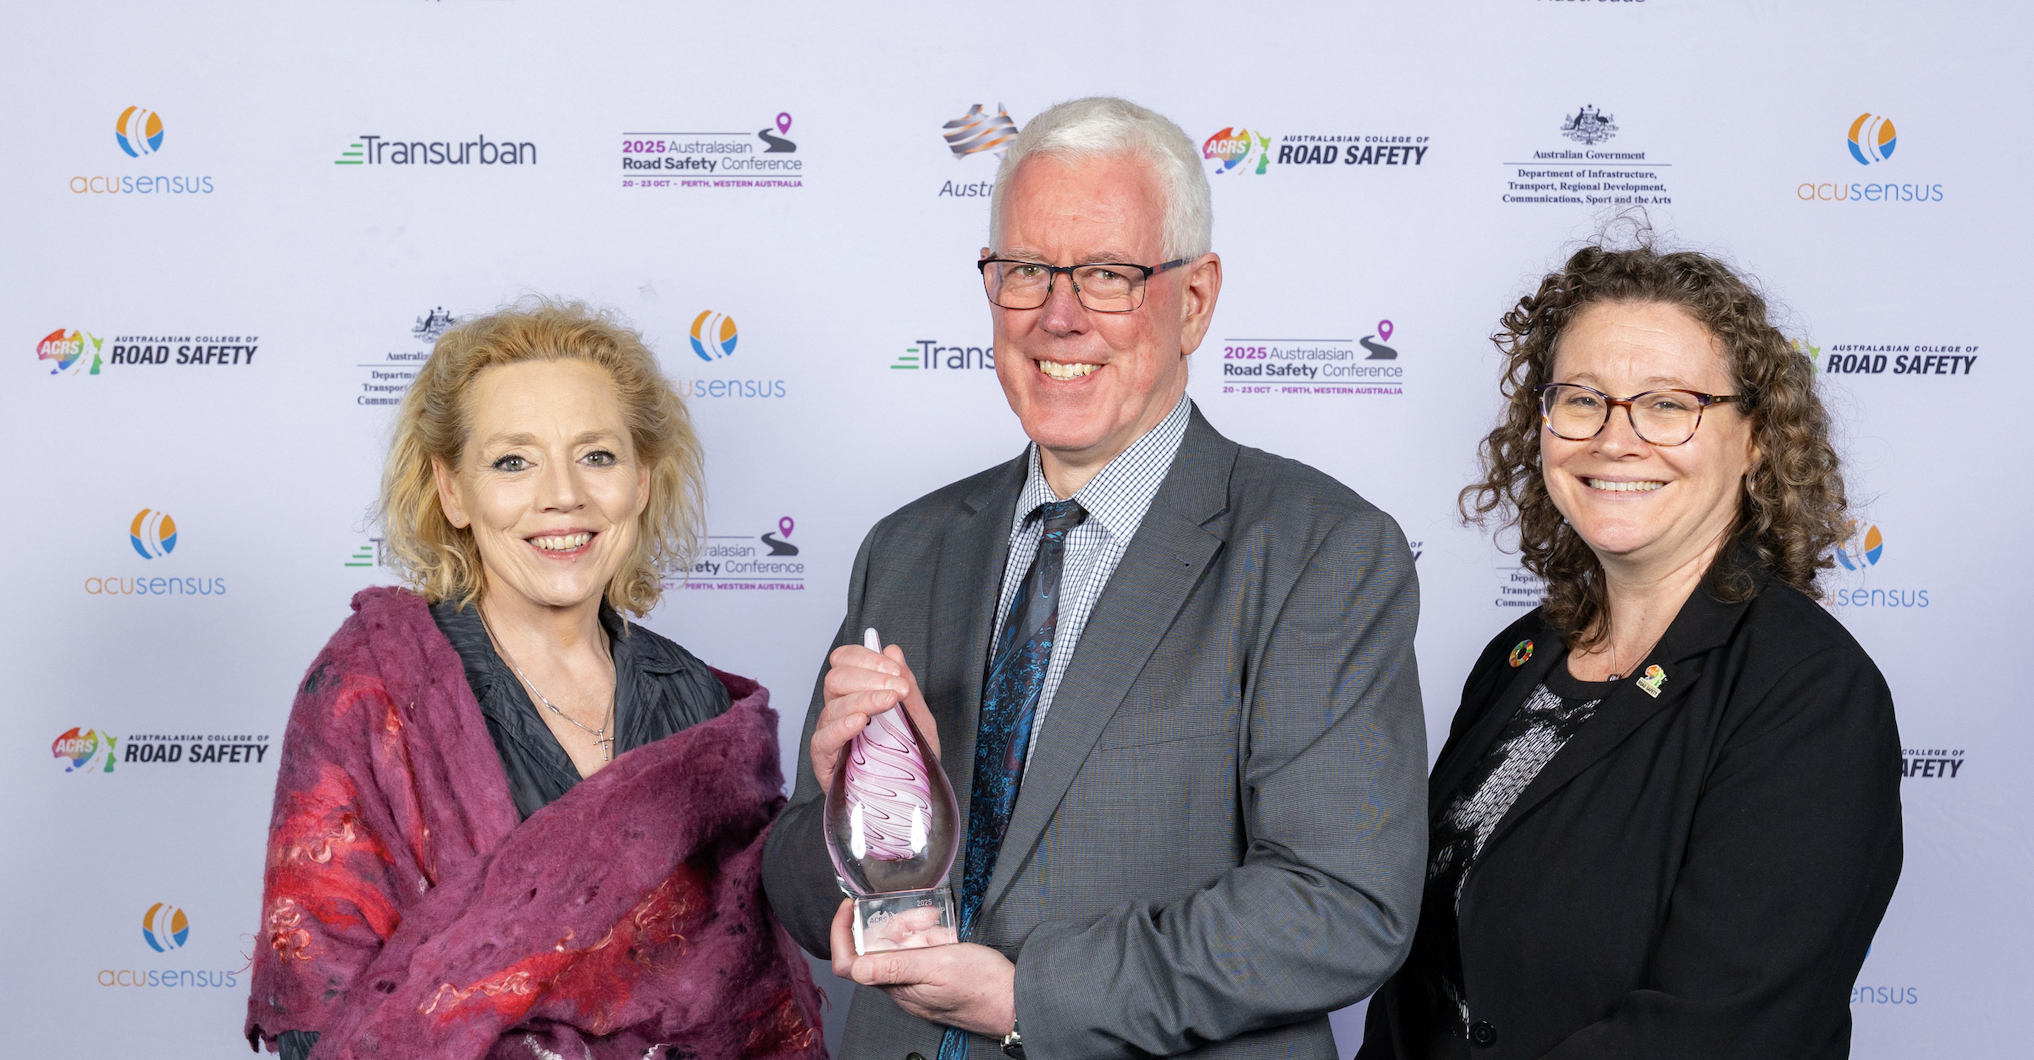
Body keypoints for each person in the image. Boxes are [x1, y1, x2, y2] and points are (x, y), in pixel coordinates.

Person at [760, 97, 1428, 1060]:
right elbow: (796, 874)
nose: (1058, 317)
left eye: (1109, 276)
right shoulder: (906, 548)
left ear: (1194, 299)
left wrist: (1032, 993)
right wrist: (843, 819)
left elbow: (1341, 904)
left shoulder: (1320, 550)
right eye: (1026, 271)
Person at [1358, 241, 1903, 1059]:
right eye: (1583, 400)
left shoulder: (1808, 691)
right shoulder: (1522, 656)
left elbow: (1722, 1031)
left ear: (1754, 438)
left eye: (1667, 404)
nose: (1616, 440)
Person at [245, 302, 824, 1060]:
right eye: (513, 461)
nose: (564, 496)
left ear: (642, 482)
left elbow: (751, 1000)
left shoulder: (696, 703)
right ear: (453, 490)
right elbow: (319, 1000)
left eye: (597, 457)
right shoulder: (372, 692)